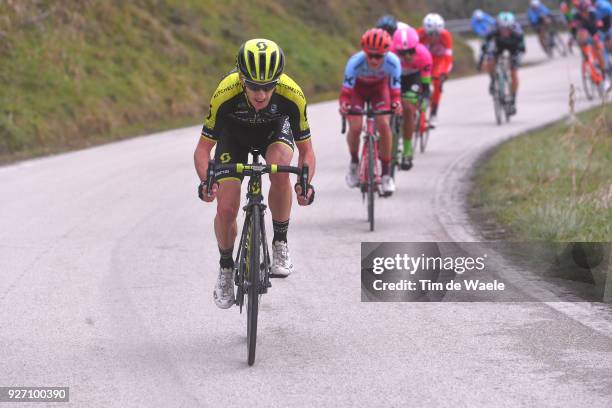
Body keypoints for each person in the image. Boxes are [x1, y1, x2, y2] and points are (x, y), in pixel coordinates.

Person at [194, 38, 316, 309]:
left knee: (281, 169)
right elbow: (203, 150)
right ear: (241, 78)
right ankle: (226, 268)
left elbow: (307, 152)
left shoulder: (291, 93)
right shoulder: (226, 92)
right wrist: (207, 181)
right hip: (233, 136)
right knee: (225, 208)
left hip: (274, 132)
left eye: (268, 86)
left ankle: (280, 242)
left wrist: (304, 183)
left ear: (278, 80)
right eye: (253, 86)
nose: (261, 94)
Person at [339, 28, 403, 196]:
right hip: (357, 92)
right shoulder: (354, 62)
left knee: (383, 124)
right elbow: (346, 92)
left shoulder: (394, 62)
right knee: (356, 127)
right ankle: (354, 162)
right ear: (364, 52)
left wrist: (396, 104)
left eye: (379, 56)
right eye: (370, 55)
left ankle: (387, 174)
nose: (374, 60)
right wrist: (344, 105)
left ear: (386, 53)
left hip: (379, 91)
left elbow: (395, 91)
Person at [390, 25, 432, 170]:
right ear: (396, 49)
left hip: (413, 79)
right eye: (402, 53)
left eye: (410, 51)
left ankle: (407, 151)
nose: (407, 56)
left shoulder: (424, 55)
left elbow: (426, 86)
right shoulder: (389, 53)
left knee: (408, 109)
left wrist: (425, 98)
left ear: (417, 47)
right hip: (394, 78)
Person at [484, 12, 526, 116]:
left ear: (512, 27)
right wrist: (487, 53)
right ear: (498, 26)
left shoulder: (518, 31)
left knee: (514, 73)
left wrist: (517, 59)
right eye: (502, 28)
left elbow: (522, 48)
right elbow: (486, 43)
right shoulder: (493, 29)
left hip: (513, 47)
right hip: (498, 46)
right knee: (489, 60)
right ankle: (493, 79)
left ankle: (513, 99)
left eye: (508, 29)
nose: (505, 31)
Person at [417, 13, 453, 122]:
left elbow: (448, 58)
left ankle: (433, 112)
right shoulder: (419, 34)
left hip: (438, 61)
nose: (433, 37)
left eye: (436, 34)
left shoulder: (446, 36)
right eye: (430, 34)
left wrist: (445, 72)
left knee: (437, 82)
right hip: (423, 59)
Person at [572, 0, 610, 87]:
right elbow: (574, 29)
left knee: (598, 49)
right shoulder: (576, 16)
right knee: (581, 37)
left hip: (594, 31)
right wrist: (574, 39)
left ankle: (604, 76)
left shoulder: (593, 14)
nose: (584, 14)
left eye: (585, 11)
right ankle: (585, 56)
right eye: (582, 12)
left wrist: (597, 36)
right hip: (584, 32)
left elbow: (599, 27)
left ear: (588, 10)